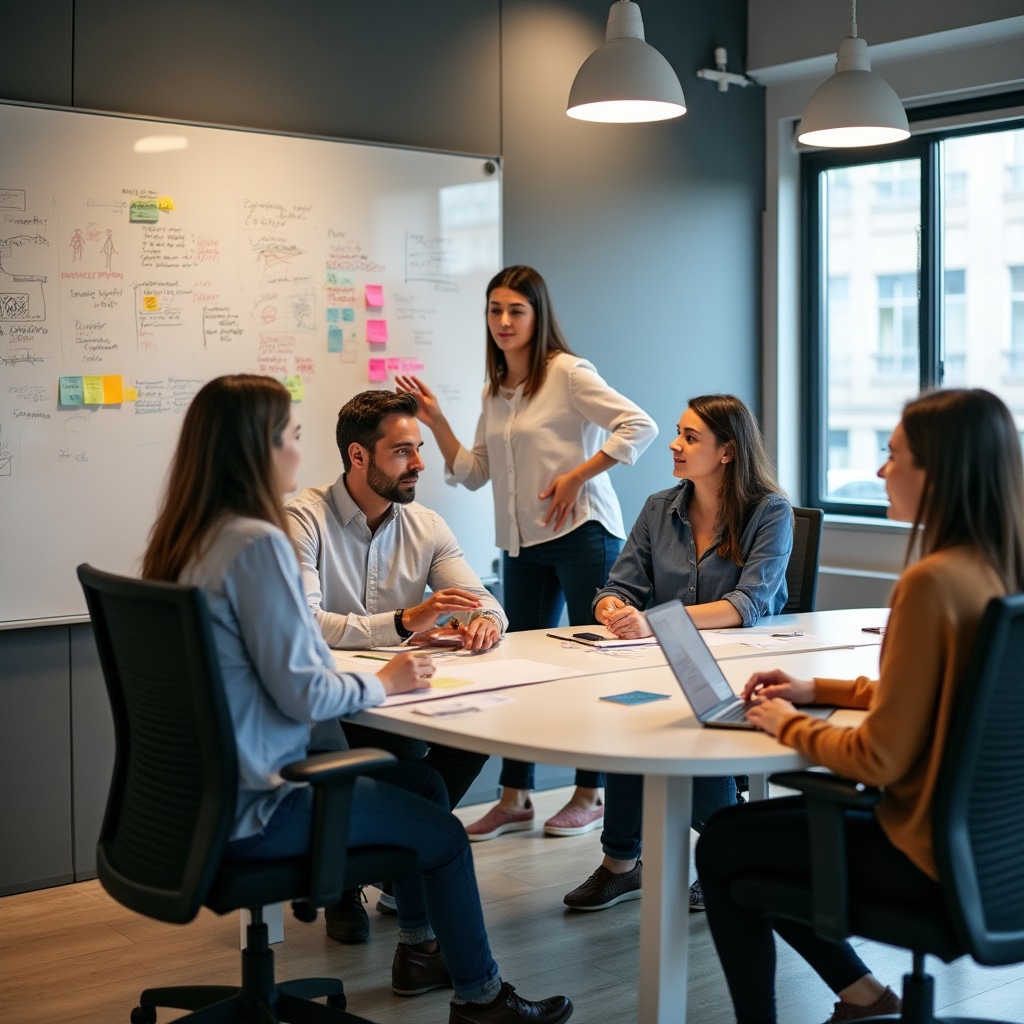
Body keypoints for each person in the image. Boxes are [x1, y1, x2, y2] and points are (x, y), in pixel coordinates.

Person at [141, 374, 573, 1024]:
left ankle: (421, 950)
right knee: (447, 839)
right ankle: (482, 1002)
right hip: (264, 804)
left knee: (424, 783)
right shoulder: (260, 542)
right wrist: (387, 680)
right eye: (288, 435)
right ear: (255, 447)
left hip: (195, 800)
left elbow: (283, 671)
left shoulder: (192, 537)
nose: (296, 447)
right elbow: (305, 687)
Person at [696, 388, 1024, 1024]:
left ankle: (836, 1004)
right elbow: (944, 701)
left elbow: (879, 754)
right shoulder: (999, 569)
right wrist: (820, 691)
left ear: (940, 470)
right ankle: (864, 998)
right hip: (998, 858)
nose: (879, 472)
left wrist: (785, 722)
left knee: (725, 845)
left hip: (929, 860)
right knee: (748, 853)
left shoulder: (932, 580)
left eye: (893, 454)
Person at [395, 264, 657, 841]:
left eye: (516, 310)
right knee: (512, 669)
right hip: (522, 544)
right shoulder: (496, 391)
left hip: (584, 534)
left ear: (537, 316)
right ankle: (516, 797)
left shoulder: (567, 374)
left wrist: (576, 476)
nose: (504, 321)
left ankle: (592, 792)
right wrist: (436, 421)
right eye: (495, 310)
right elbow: (471, 472)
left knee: (592, 664)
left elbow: (638, 425)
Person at [286, 388, 505, 941]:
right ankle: (346, 876)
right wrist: (405, 622)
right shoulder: (303, 520)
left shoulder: (426, 524)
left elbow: (484, 601)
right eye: (403, 451)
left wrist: (484, 622)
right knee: (418, 775)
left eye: (420, 448)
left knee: (474, 735)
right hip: (331, 705)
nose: (421, 463)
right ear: (359, 456)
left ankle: (382, 864)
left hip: (401, 694)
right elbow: (303, 625)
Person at [561, 394, 792, 913]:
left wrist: (654, 622)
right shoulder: (658, 508)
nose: (675, 443)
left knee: (680, 719)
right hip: (665, 657)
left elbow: (748, 604)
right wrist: (615, 609)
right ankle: (622, 865)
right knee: (624, 711)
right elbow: (617, 586)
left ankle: (726, 852)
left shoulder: (770, 512)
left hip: (742, 668)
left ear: (728, 452)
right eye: (678, 432)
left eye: (690, 437)